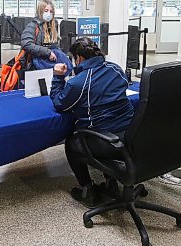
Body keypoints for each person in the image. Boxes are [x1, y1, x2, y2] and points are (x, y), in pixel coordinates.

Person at [50, 37, 134, 207]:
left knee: (72, 142)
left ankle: (87, 189)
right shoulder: (116, 69)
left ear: (78, 58)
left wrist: (58, 77)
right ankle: (111, 184)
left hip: (106, 142)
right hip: (132, 135)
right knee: (108, 129)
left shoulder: (78, 83)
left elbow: (59, 103)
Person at [21, 0, 60, 68]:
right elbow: (27, 44)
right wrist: (48, 52)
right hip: (35, 63)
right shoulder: (32, 26)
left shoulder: (53, 26)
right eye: (46, 11)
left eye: (51, 11)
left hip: (49, 61)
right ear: (40, 11)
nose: (49, 13)